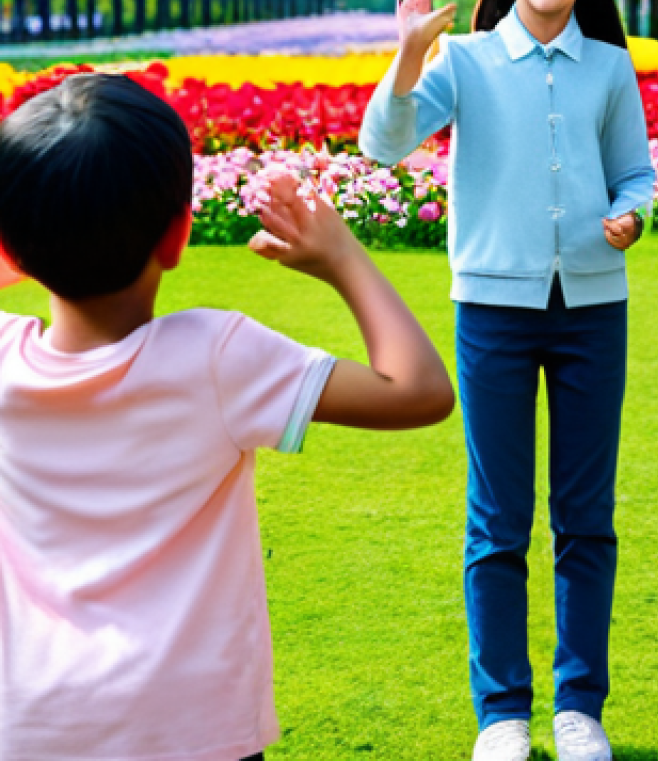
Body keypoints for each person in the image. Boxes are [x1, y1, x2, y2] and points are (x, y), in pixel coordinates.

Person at [0, 72, 455, 761]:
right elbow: (419, 389)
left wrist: (25, 238)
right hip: (191, 725)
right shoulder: (214, 357)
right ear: (179, 235)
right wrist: (341, 257)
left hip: (33, 724)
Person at [359, 0, 655, 761]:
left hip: (594, 308)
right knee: (497, 518)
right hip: (491, 307)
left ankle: (579, 709)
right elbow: (384, 141)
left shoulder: (610, 67)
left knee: (584, 515)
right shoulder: (466, 63)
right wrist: (408, 55)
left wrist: (632, 215)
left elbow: (637, 174)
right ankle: (502, 716)